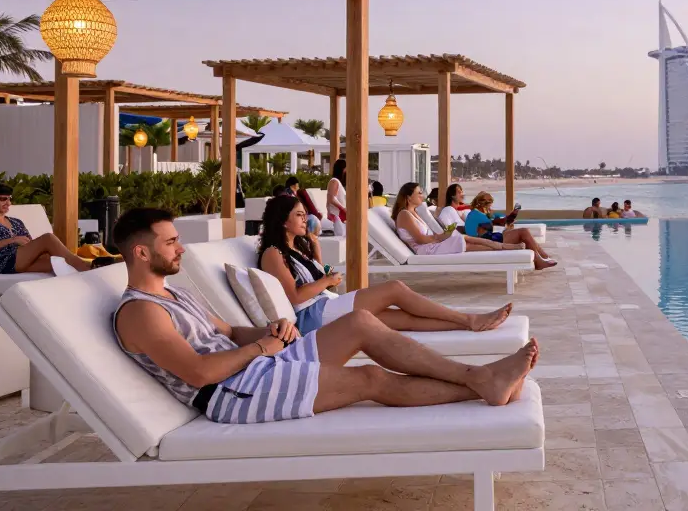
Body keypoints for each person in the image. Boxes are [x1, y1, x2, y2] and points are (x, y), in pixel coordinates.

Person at [112, 207, 539, 424]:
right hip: (230, 394)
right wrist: (263, 347)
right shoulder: (140, 314)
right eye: (171, 243)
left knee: (361, 322)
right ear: (141, 252)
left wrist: (268, 330)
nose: (180, 249)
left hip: (255, 367)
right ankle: (480, 383)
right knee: (369, 379)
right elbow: (199, 373)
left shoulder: (177, 293)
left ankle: (477, 376)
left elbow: (229, 331)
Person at [257, 195, 514, 335]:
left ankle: (467, 324)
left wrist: (316, 249)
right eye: (299, 215)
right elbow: (294, 296)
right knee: (394, 289)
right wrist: (326, 281)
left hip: (325, 304)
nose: (306, 219)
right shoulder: (272, 253)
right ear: (282, 221)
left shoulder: (295, 248)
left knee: (400, 319)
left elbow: (318, 280)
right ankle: (470, 318)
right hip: (313, 316)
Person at [0, 183, 91, 274]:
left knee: (61, 264)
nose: (8, 203)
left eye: (9, 199)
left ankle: (90, 271)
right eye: (3, 199)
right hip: (7, 262)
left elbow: (30, 244)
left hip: (24, 260)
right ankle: (88, 268)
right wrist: (11, 240)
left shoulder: (16, 222)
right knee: (47, 238)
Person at [393, 183, 519, 255]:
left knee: (462, 238)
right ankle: (504, 248)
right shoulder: (404, 215)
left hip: (431, 244)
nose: (423, 196)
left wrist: (443, 235)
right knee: (463, 242)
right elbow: (420, 240)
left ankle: (502, 246)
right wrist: (440, 237)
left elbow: (426, 235)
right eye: (419, 193)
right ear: (409, 197)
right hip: (425, 250)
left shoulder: (414, 213)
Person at [466, 192, 557, 270]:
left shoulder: (481, 214)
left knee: (521, 233)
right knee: (523, 232)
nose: (490, 208)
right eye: (489, 206)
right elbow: (496, 223)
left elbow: (500, 220)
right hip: (488, 241)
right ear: (482, 205)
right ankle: (541, 259)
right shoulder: (475, 215)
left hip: (492, 237)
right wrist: (509, 217)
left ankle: (541, 257)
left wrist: (511, 216)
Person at [434, 184, 522, 252]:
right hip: (469, 239)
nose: (462, 194)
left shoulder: (457, 211)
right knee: (517, 233)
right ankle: (507, 224)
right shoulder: (447, 210)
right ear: (452, 196)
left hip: (474, 234)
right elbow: (449, 230)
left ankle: (506, 223)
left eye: (462, 191)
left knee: (504, 229)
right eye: (459, 192)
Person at [325, 159, 346, 236]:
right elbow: (331, 198)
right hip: (337, 215)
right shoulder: (334, 181)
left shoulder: (337, 182)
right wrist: (343, 209)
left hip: (339, 216)